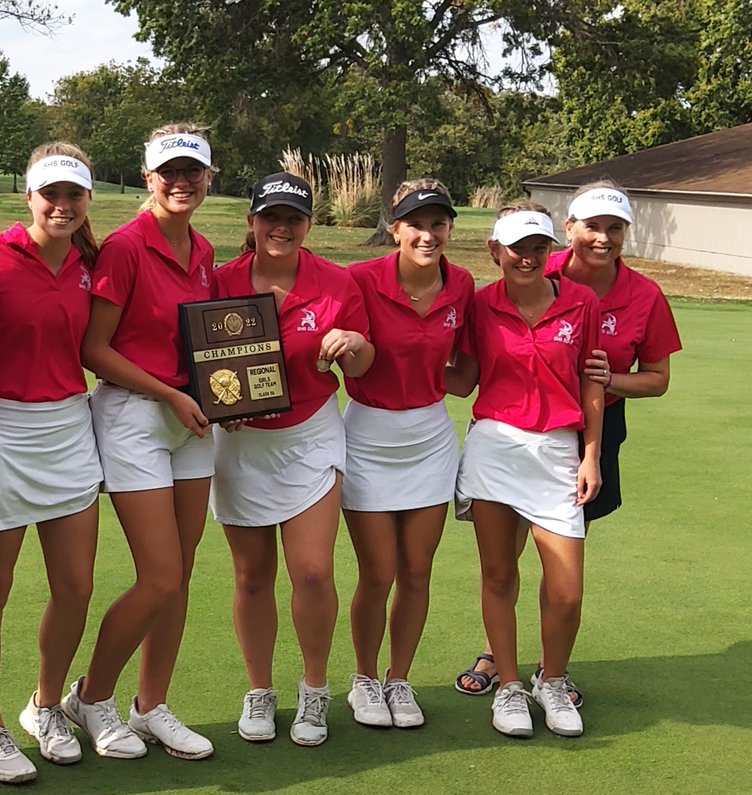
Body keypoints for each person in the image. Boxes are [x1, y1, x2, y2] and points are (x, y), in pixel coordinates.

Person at [453, 183, 682, 706]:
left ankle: (549, 669)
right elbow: (470, 367)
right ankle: (497, 656)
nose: (602, 238)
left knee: (562, 563)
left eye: (614, 228)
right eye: (592, 226)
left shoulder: (641, 295)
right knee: (503, 556)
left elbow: (658, 378)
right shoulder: (535, 266)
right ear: (570, 228)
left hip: (588, 426)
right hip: (508, 431)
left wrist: (605, 382)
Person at [65, 123, 218, 760]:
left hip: (191, 418)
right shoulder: (126, 248)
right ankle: (91, 696)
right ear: (148, 178)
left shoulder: (203, 248)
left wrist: (221, 394)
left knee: (180, 573)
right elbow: (95, 349)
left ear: (208, 178)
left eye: (192, 172)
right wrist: (171, 394)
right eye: (169, 172)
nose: (181, 182)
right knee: (159, 575)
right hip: (135, 415)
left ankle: (151, 706)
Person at [0, 143, 103, 782]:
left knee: (75, 586)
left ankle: (45, 706)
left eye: (74, 194)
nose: (62, 206)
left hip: (68, 428)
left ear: (88, 199)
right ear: (29, 197)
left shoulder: (90, 262)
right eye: (51, 194)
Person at [212, 172, 374, 746]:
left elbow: (361, 365)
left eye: (294, 219)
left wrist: (354, 344)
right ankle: (259, 689)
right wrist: (220, 405)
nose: (282, 228)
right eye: (271, 217)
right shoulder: (220, 282)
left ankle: (314, 688)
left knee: (312, 571)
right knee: (252, 576)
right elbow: (201, 360)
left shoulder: (336, 282)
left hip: (310, 435)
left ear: (308, 225)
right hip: (241, 441)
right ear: (252, 222)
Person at [448, 201, 604, 739]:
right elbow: (463, 377)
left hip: (559, 450)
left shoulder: (580, 303)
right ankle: (510, 686)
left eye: (539, 247)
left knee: (567, 590)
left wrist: (590, 454)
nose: (528, 258)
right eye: (517, 248)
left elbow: (591, 380)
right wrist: (393, 361)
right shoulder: (479, 304)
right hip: (495, 447)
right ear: (495, 251)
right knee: (498, 574)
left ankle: (551, 680)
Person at [341, 180, 475, 730]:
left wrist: (434, 381)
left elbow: (465, 371)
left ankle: (399, 679)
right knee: (378, 572)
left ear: (450, 229)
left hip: (429, 439)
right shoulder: (360, 279)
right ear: (394, 228)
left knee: (417, 571)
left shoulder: (461, 284)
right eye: (415, 224)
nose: (427, 235)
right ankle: (365, 679)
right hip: (368, 437)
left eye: (438, 224)